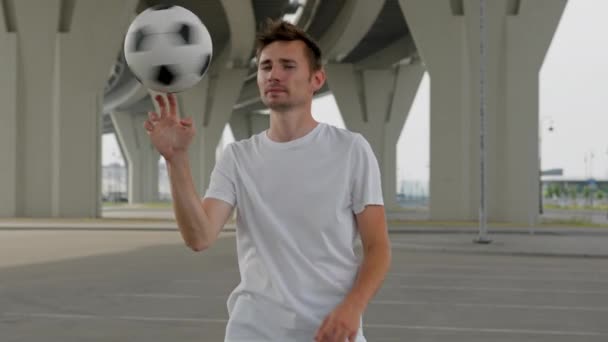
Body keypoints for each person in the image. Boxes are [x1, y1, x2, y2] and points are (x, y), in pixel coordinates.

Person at [144, 19, 391, 342]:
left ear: (316, 78)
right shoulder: (238, 157)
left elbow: (378, 247)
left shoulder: (351, 150)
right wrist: (176, 161)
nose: (273, 75)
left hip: (331, 331)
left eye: (287, 66)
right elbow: (199, 237)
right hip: (253, 331)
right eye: (265, 67)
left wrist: (353, 308)